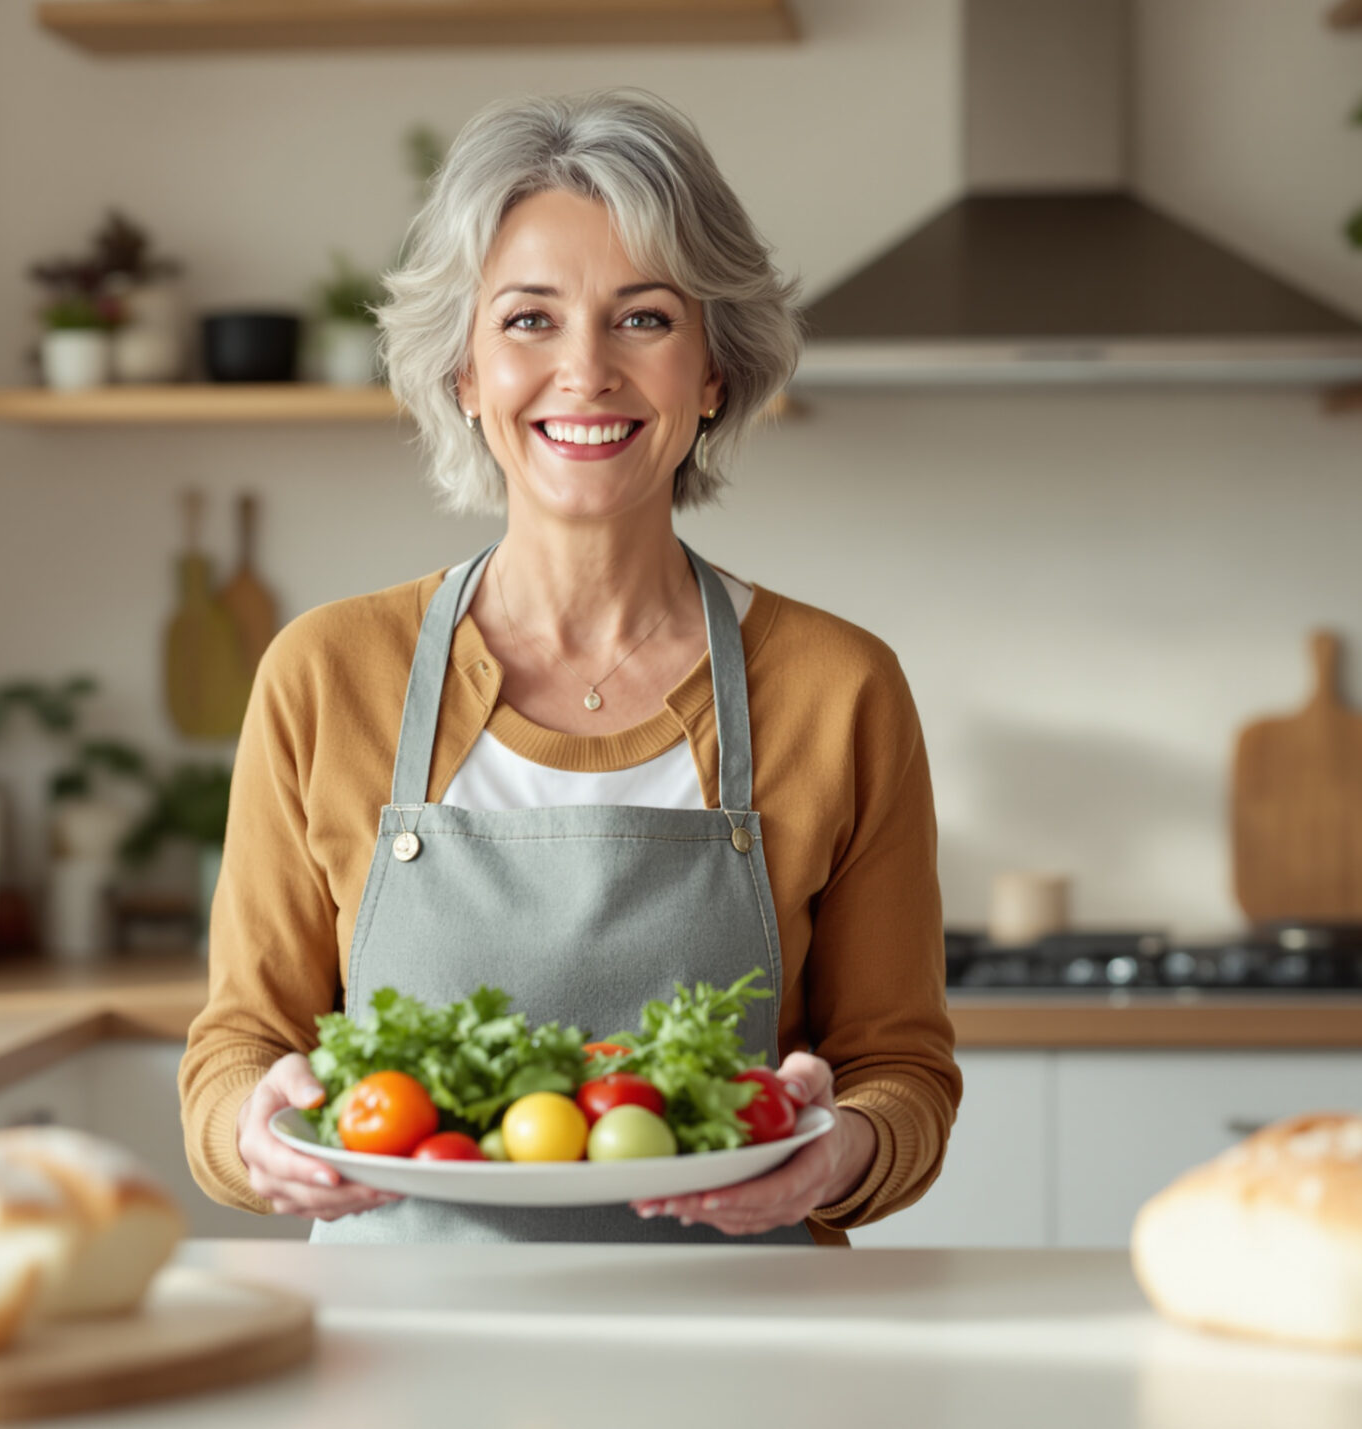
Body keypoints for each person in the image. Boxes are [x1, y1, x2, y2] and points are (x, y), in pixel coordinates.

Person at [180, 89, 959, 1244]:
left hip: (748, 1350)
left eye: (641, 318)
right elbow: (235, 1047)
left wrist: (841, 1147)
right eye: (528, 321)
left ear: (713, 375)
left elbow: (900, 1071)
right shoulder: (326, 673)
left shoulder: (838, 687)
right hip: (396, 1356)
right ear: (463, 374)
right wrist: (253, 1124)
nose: (584, 371)